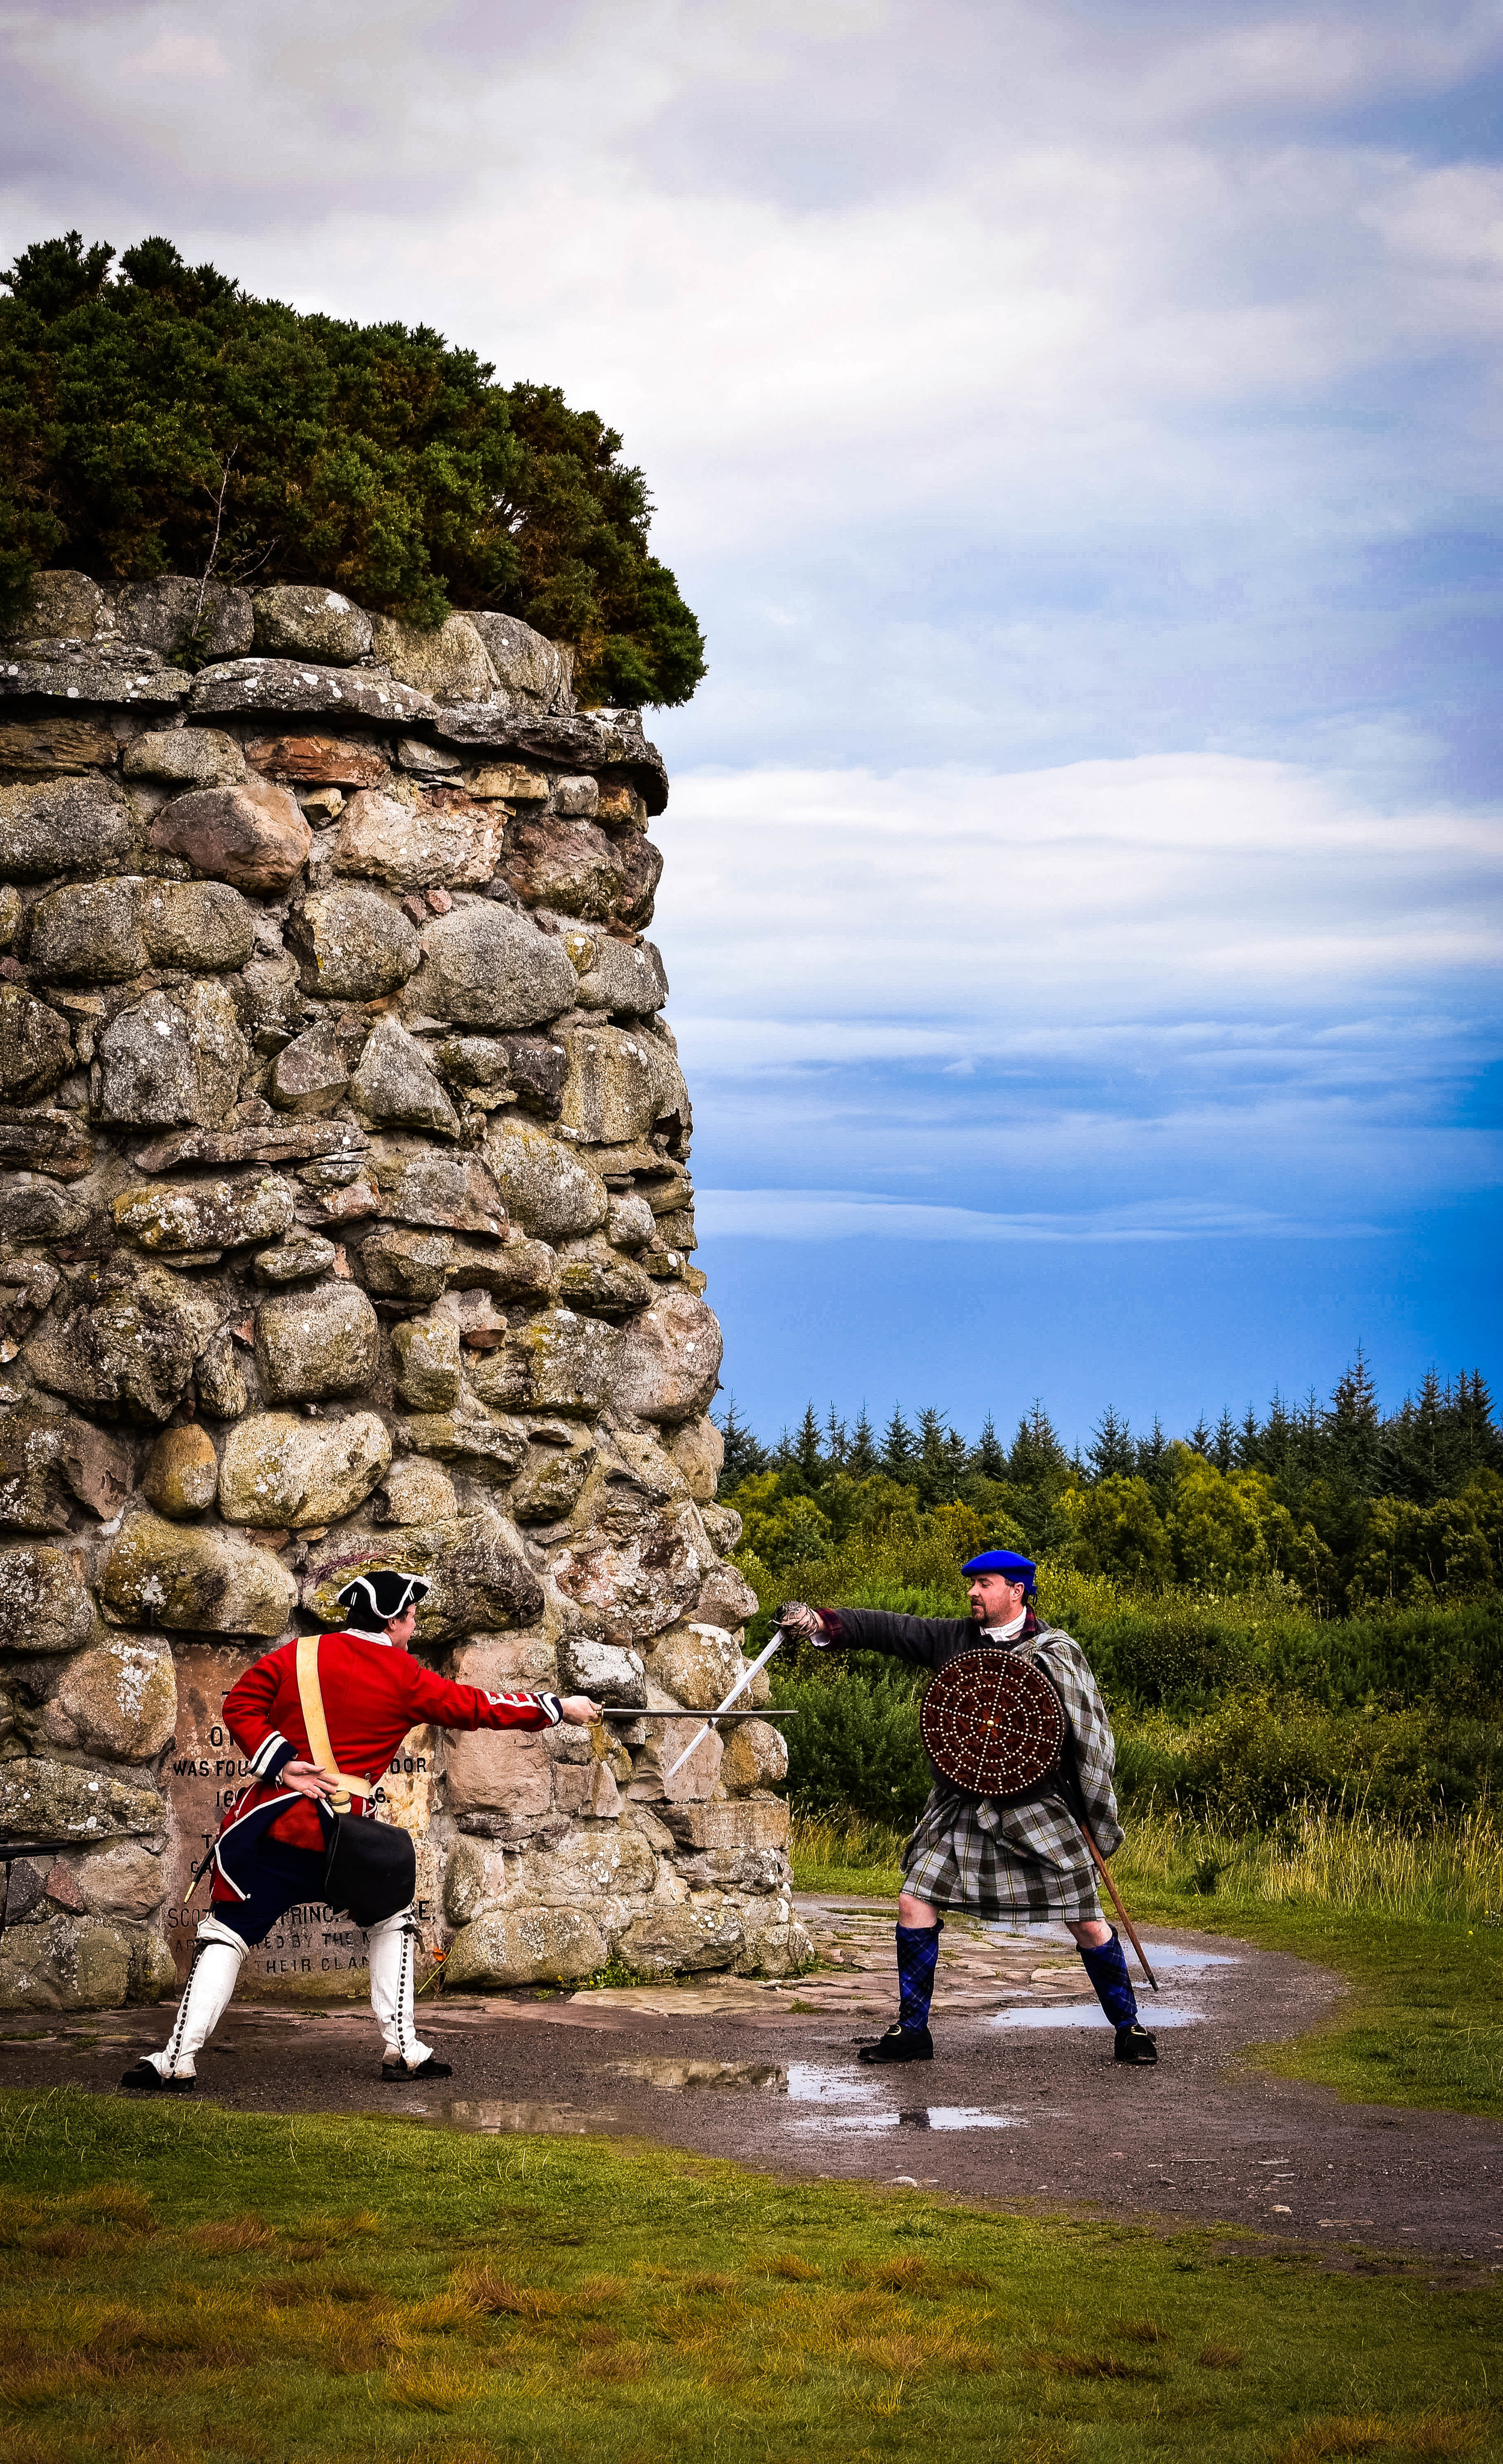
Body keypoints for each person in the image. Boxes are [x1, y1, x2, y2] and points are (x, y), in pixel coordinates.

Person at [121, 1570, 601, 2093]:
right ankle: (403, 2050)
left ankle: (175, 2059)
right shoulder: (404, 1675)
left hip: (273, 1825)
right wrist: (559, 1707)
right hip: (344, 1840)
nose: (413, 1628)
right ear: (392, 1619)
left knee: (226, 1934)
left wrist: (281, 1763)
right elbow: (477, 1707)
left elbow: (238, 1706)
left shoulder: (295, 1655)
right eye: (411, 1617)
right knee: (392, 1922)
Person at [779, 1550, 1156, 2067]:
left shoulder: (1055, 1651)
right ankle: (912, 2030)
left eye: (985, 1583)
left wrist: (1084, 1795)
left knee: (1087, 1920)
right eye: (971, 1584)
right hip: (962, 1804)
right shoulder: (954, 1639)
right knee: (915, 1900)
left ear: (1017, 1591)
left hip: (1038, 1807)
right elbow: (888, 1628)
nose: (973, 1592)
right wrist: (823, 1621)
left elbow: (1087, 1734)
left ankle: (1128, 2027)